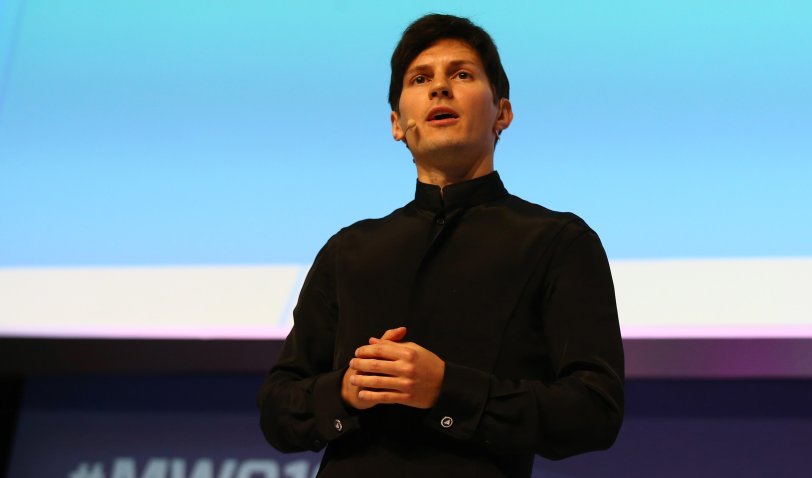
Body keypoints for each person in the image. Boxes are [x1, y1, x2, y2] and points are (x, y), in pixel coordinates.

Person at [258, 13, 624, 478]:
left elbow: (596, 410)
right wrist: (345, 391)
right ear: (397, 122)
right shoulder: (349, 249)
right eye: (420, 78)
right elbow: (277, 408)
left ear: (502, 113)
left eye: (462, 74)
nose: (440, 88)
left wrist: (447, 390)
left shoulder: (558, 241)